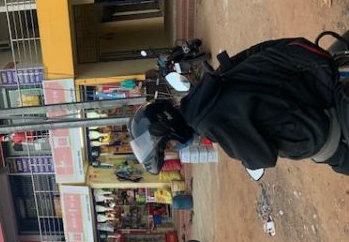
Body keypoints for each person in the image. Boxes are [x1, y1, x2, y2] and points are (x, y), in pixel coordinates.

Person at [129, 34, 349, 175]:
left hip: (322, 129)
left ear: (170, 129)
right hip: (306, 77)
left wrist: (246, 161)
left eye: (169, 144)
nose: (176, 147)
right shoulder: (201, 94)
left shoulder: (209, 124)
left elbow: (261, 157)